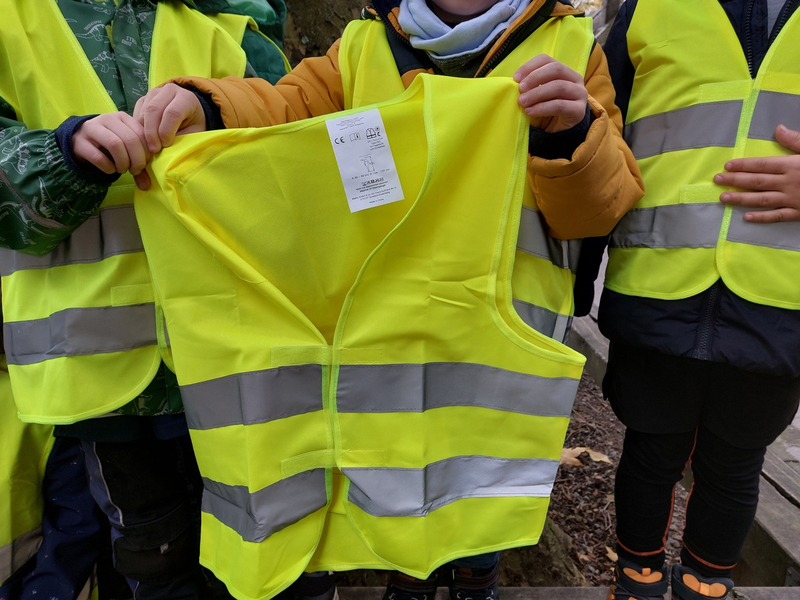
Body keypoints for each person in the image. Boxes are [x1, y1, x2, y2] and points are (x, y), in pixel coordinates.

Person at [132, 0, 643, 598]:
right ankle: (409, 578)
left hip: (499, 343)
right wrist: (208, 104)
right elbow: (282, 109)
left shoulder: (573, 49)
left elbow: (601, 210)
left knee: (480, 481)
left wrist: (575, 133)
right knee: (401, 475)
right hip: (391, 333)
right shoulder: (360, 48)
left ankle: (477, 573)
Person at [0, 1, 288, 598]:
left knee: (266, 557)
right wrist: (63, 155)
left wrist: (218, 120)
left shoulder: (227, 27)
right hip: (100, 381)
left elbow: (293, 156)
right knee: (154, 561)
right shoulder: (9, 25)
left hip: (231, 365)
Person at [579, 1, 800, 599]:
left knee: (736, 458)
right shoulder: (648, 8)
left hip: (781, 297)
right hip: (658, 281)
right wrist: (578, 277)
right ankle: (637, 580)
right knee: (651, 445)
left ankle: (708, 587)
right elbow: (600, 136)